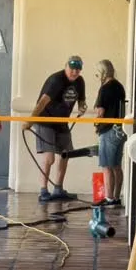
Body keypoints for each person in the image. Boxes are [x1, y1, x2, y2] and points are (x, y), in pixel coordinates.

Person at [30, 55, 89, 202]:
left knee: (65, 154)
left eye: (78, 69)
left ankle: (58, 189)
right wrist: (30, 121)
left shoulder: (80, 82)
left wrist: (82, 107)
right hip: (45, 120)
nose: (74, 72)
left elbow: (81, 100)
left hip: (62, 122)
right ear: (66, 66)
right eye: (72, 68)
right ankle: (43, 191)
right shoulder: (56, 80)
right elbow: (42, 102)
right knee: (49, 158)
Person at [91, 59, 128, 204]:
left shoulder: (105, 88)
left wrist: (96, 122)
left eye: (97, 74)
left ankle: (109, 198)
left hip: (108, 130)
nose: (97, 77)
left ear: (102, 73)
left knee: (106, 166)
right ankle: (116, 197)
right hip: (120, 129)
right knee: (116, 166)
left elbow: (100, 111)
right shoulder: (119, 86)